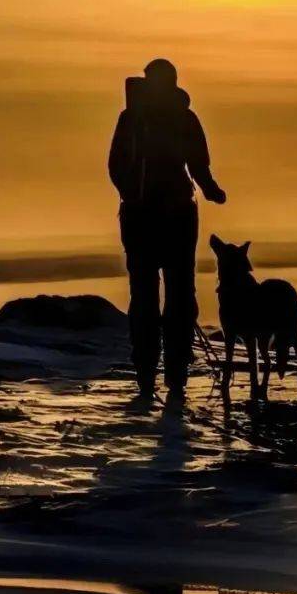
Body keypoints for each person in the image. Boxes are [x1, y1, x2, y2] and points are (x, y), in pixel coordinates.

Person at [108, 59, 226, 398]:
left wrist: (132, 196)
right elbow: (198, 165)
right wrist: (211, 191)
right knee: (175, 295)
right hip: (171, 217)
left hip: (145, 217)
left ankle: (154, 375)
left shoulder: (136, 119)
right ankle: (170, 374)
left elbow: (116, 166)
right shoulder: (174, 118)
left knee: (149, 295)